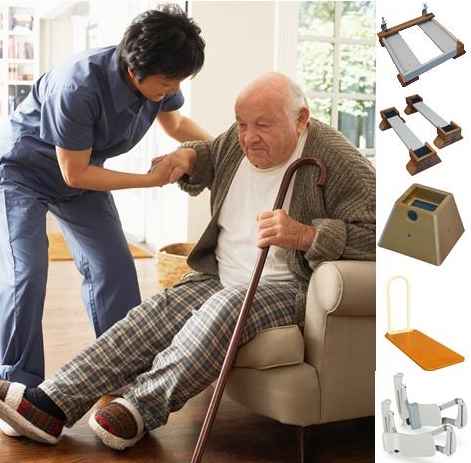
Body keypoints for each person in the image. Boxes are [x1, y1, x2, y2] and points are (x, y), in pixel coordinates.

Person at [0, 72, 375, 450]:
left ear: (301, 118)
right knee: (153, 314)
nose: (248, 137)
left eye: (263, 125)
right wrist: (189, 156)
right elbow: (211, 154)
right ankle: (51, 403)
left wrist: (308, 235)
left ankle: (140, 408)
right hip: (220, 274)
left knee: (227, 306)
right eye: (242, 124)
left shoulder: (337, 159)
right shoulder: (238, 141)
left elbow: (382, 238)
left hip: (285, 287)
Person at [0, 2, 211, 407]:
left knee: (113, 265)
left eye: (178, 82)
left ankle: (122, 368)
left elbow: (178, 125)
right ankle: (15, 383)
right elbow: (74, 174)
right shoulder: (76, 86)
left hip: (81, 169)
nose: (172, 90)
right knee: (26, 272)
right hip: (22, 172)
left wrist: (221, 148)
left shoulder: (159, 74)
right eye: (168, 82)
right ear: (135, 70)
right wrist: (149, 180)